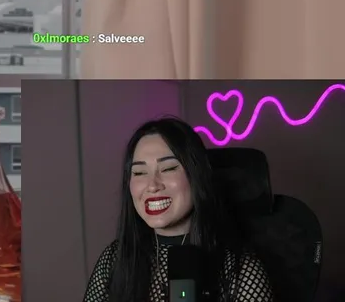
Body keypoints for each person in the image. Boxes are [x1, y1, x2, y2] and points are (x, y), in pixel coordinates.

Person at [82, 117, 274, 302]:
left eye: (168, 169)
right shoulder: (114, 260)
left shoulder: (239, 269)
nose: (152, 185)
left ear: (196, 176)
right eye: (139, 172)